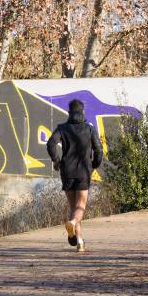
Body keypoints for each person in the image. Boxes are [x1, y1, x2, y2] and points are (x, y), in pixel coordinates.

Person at [46, 98, 102, 252]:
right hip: (84, 171)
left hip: (67, 171)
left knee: (73, 207)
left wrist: (56, 161)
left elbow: (51, 144)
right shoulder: (89, 128)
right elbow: (98, 149)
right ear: (82, 111)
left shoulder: (62, 128)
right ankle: (72, 223)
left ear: (69, 112)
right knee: (80, 207)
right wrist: (94, 165)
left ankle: (80, 242)